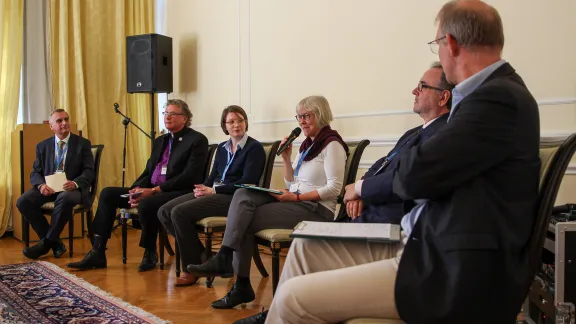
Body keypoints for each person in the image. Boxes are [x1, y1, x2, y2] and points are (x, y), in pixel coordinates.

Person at [235, 1, 541, 323]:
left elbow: (414, 175)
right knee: (304, 248)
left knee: (294, 298)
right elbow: (416, 170)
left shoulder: (497, 98)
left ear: (449, 43)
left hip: (450, 270)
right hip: (427, 242)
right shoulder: (490, 96)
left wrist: (370, 186)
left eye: (437, 44)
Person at [187, 95, 349, 309]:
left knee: (242, 221)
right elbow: (293, 183)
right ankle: (233, 272)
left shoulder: (332, 144)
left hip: (316, 210)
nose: (301, 121)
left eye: (306, 116)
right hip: (296, 201)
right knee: (243, 194)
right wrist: (286, 159)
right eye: (299, 117)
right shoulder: (307, 146)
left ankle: (236, 276)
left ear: (320, 115)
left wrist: (297, 197)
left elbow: (334, 189)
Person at [67, 99, 209, 272]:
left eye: (173, 114)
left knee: (148, 203)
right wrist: (136, 189)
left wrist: (154, 191)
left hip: (177, 192)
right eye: (165, 113)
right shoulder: (160, 141)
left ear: (184, 118)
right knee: (107, 194)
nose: (167, 117)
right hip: (152, 189)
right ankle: (97, 251)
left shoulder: (197, 140)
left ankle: (150, 252)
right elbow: (148, 171)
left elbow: (190, 176)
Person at [157, 105, 266, 287]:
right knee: (164, 211)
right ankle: (205, 257)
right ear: (225, 126)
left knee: (179, 213)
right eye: (231, 122)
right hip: (214, 193)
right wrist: (203, 188)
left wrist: (214, 190)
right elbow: (213, 177)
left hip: (234, 199)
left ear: (246, 123)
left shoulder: (254, 148)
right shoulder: (222, 148)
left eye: (240, 120)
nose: (236, 125)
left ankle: (191, 270)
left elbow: (248, 182)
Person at [342, 62, 453, 224]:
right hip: (365, 213)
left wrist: (360, 189)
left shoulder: (442, 135)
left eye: (422, 86)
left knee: (305, 243)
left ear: (443, 98)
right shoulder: (413, 132)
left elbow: (405, 179)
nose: (414, 91)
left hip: (386, 222)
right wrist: (359, 191)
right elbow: (380, 165)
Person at [17, 109, 95, 260]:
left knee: (65, 198)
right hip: (50, 187)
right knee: (23, 201)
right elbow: (35, 173)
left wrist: (75, 182)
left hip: (72, 189)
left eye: (66, 119)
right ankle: (55, 243)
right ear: (51, 126)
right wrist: (41, 186)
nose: (64, 123)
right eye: (59, 121)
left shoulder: (83, 144)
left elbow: (89, 172)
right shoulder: (42, 146)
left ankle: (46, 243)